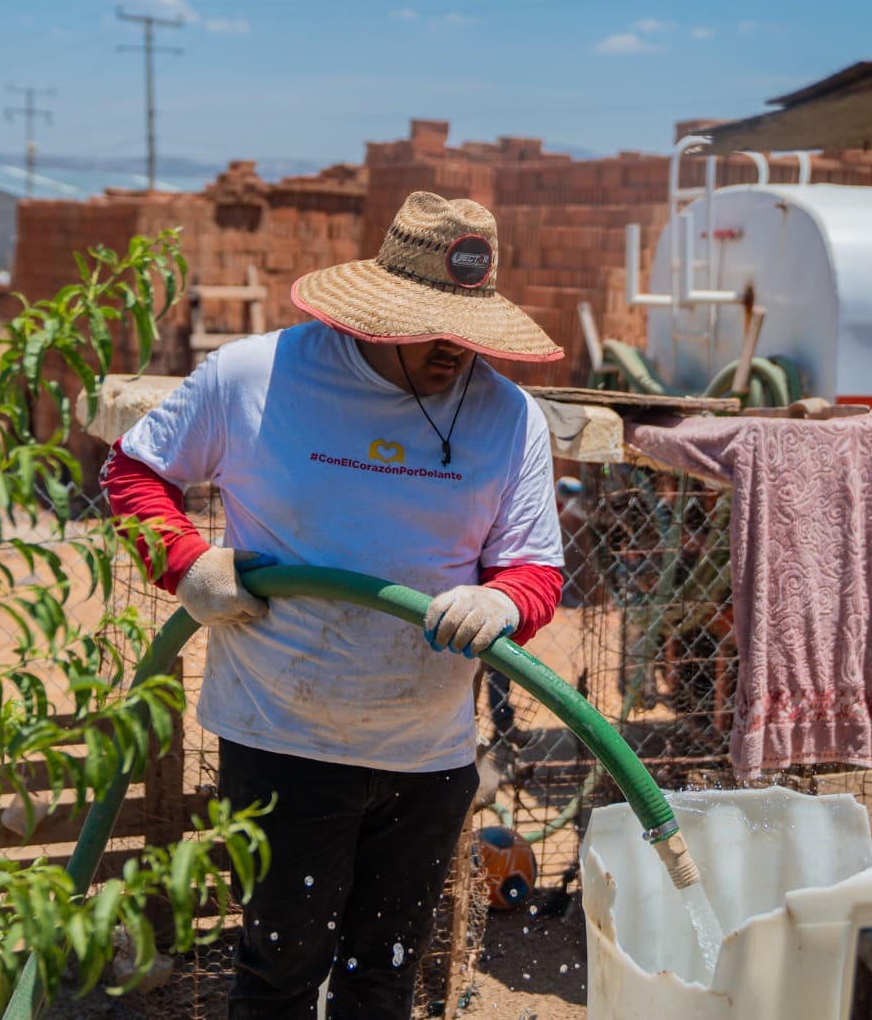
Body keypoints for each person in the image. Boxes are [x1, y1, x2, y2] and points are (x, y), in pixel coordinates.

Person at [102, 190, 566, 1019]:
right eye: (433, 326)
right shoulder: (258, 375)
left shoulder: (509, 417)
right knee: (280, 975)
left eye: (468, 328)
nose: (454, 349)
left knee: (383, 978)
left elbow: (534, 570)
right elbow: (133, 475)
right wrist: (186, 566)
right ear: (381, 311)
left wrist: (502, 605)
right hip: (281, 737)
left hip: (427, 757)